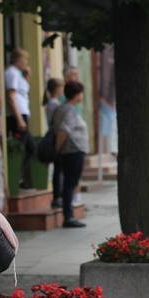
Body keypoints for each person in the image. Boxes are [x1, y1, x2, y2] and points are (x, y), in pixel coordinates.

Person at [52, 81, 89, 228]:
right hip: (72, 152)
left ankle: (69, 214)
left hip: (70, 151)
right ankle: (68, 216)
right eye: (80, 92)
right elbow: (63, 133)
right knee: (70, 184)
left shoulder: (64, 108)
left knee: (68, 184)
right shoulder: (68, 110)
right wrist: (57, 150)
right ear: (76, 94)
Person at [5, 49, 36, 191]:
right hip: (17, 115)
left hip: (22, 113)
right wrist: (19, 119)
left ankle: (21, 178)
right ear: (17, 60)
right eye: (24, 60)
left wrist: (27, 76)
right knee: (21, 149)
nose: (26, 63)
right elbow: (11, 97)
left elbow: (22, 93)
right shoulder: (11, 72)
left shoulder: (18, 74)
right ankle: (17, 180)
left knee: (30, 147)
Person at [43, 78, 64, 208]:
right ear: (57, 88)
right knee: (58, 168)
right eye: (61, 87)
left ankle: (58, 196)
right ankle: (58, 197)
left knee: (58, 169)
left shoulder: (52, 104)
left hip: (54, 135)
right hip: (55, 137)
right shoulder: (54, 105)